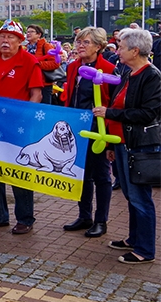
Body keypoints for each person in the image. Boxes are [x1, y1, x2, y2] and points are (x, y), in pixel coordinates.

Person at [95, 28, 159, 264]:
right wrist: (112, 143)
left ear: (135, 50)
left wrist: (109, 112)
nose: (117, 50)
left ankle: (145, 249)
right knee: (132, 196)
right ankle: (134, 238)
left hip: (139, 145)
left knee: (140, 197)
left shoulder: (151, 76)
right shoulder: (129, 73)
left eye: (121, 47)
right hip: (122, 143)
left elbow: (148, 113)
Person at [0, 21, 45, 234]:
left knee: (20, 172)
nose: (5, 41)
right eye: (2, 37)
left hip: (18, 127)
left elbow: (37, 95)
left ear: (19, 40)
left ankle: (25, 218)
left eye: (10, 37)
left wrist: (24, 117)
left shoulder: (29, 61)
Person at [60, 27, 115, 238]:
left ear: (99, 47)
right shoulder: (73, 66)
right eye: (79, 42)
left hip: (97, 129)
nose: (80, 46)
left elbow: (112, 103)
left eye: (86, 43)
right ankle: (85, 216)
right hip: (76, 128)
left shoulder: (108, 68)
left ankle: (101, 220)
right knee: (81, 175)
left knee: (101, 175)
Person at [25, 24, 61, 104]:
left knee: (43, 110)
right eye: (27, 32)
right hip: (28, 83)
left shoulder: (46, 46)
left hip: (43, 84)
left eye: (31, 32)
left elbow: (55, 63)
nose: (28, 34)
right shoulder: (25, 48)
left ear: (39, 34)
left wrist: (37, 65)